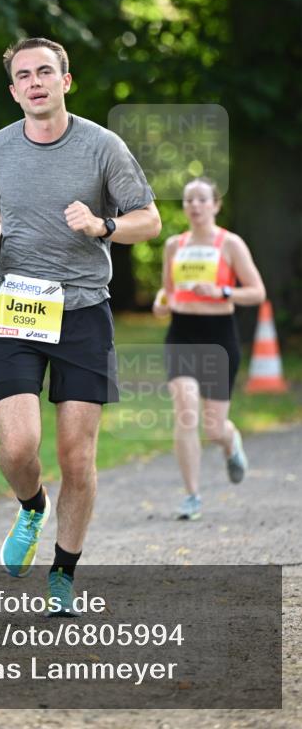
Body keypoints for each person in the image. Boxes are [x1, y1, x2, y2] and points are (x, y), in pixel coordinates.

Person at [0, 36, 160, 615]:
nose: (35, 83)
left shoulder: (102, 146)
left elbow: (147, 220)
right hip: (17, 305)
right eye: (23, 75)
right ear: (13, 90)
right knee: (18, 445)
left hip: (82, 312)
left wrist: (103, 226)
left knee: (78, 458)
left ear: (65, 81)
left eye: (45, 72)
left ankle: (63, 575)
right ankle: (30, 505)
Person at [153, 177, 266, 520]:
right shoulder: (174, 245)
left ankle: (231, 444)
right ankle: (192, 496)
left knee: (214, 428)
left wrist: (223, 292)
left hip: (219, 337)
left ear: (215, 205)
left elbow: (257, 292)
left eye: (202, 199)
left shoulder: (229, 244)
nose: (195, 206)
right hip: (182, 334)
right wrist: (161, 303)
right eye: (189, 200)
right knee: (186, 411)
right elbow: (167, 292)